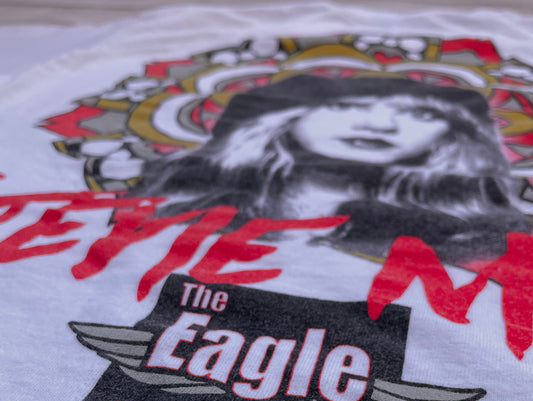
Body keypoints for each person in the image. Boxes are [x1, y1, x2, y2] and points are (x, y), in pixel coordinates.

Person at [133, 75, 532, 264]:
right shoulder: (173, 206)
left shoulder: (488, 240)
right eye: (344, 106)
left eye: (421, 114)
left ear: (452, 136)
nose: (380, 125)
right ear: (282, 118)